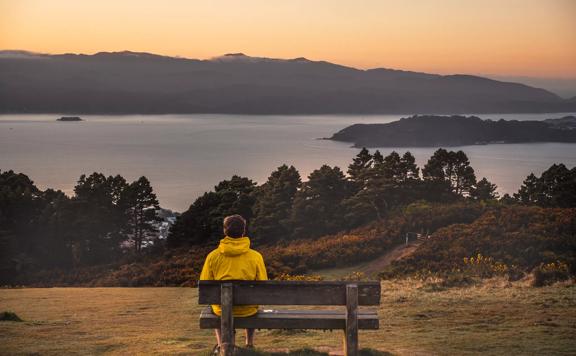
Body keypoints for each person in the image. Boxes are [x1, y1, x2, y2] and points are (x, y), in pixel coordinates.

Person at [200, 214, 267, 352]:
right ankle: (249, 344)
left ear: (225, 231)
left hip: (222, 310)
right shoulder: (256, 256)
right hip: (248, 309)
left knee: (216, 307)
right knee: (254, 304)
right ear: (243, 231)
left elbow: (205, 284)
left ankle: (221, 346)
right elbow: (263, 283)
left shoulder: (213, 256)